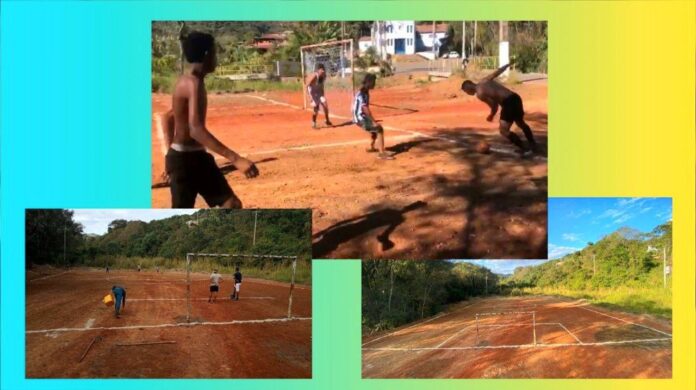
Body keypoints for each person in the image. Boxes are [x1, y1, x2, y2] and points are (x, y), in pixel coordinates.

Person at [158, 31, 259, 208]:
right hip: (184, 161)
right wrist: (235, 159)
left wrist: (168, 154)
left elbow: (169, 116)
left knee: (231, 204)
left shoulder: (192, 81)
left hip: (197, 156)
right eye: (215, 53)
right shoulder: (192, 83)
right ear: (207, 55)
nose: (216, 58)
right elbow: (195, 129)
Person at [461, 63, 539, 155]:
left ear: (468, 88)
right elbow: (496, 73)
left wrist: (491, 115)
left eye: (466, 92)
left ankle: (524, 149)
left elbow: (494, 106)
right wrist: (506, 66)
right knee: (520, 123)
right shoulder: (484, 81)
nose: (467, 93)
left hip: (508, 103)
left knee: (504, 130)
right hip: (515, 98)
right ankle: (533, 144)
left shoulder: (480, 93)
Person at [352, 74, 394, 160]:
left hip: (361, 117)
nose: (374, 84)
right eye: (373, 82)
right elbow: (365, 109)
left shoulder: (365, 92)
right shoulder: (362, 94)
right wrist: (373, 121)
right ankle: (381, 153)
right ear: (369, 83)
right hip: (360, 119)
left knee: (374, 129)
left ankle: (372, 147)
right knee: (379, 129)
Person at [305, 63, 332, 129]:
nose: (323, 71)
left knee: (325, 105)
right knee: (316, 109)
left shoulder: (324, 76)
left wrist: (322, 94)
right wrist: (310, 97)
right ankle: (313, 122)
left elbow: (322, 85)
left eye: (323, 69)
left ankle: (327, 120)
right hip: (312, 93)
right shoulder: (314, 76)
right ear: (318, 70)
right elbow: (307, 85)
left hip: (319, 92)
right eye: (321, 70)